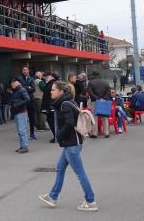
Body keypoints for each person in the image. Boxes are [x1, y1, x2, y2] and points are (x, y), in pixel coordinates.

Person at [39, 81, 98, 212]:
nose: (51, 91)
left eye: (53, 90)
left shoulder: (65, 104)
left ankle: (90, 201)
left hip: (72, 145)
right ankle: (52, 197)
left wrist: (58, 135)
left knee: (80, 173)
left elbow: (70, 123)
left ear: (61, 92)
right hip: (70, 144)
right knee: (60, 168)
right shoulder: (68, 102)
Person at [10, 79, 30, 153]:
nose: (11, 86)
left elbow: (27, 99)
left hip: (21, 112)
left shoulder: (22, 90)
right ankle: (22, 146)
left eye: (12, 85)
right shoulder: (17, 91)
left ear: (16, 83)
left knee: (22, 130)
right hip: (17, 112)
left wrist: (17, 105)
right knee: (20, 131)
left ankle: (25, 146)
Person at [88, 71, 111, 138]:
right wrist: (103, 98)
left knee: (95, 117)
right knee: (104, 116)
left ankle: (95, 133)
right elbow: (108, 91)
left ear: (93, 75)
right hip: (103, 101)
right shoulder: (105, 82)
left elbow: (90, 92)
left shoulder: (91, 82)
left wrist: (97, 98)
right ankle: (106, 132)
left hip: (95, 101)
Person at [18, 67, 36, 140]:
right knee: (22, 119)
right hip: (22, 101)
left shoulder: (31, 79)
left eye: (26, 70)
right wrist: (28, 87)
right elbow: (19, 88)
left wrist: (25, 88)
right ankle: (23, 135)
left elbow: (34, 89)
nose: (25, 71)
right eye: (23, 70)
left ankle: (32, 134)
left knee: (32, 118)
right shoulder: (19, 78)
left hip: (31, 100)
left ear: (28, 70)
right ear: (22, 71)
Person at [41, 72, 59, 143]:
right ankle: (56, 136)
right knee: (52, 121)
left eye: (47, 76)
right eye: (45, 77)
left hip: (51, 107)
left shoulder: (53, 84)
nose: (45, 78)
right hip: (50, 106)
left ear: (52, 77)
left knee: (53, 122)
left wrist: (50, 107)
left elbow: (52, 97)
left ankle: (56, 137)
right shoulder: (51, 84)